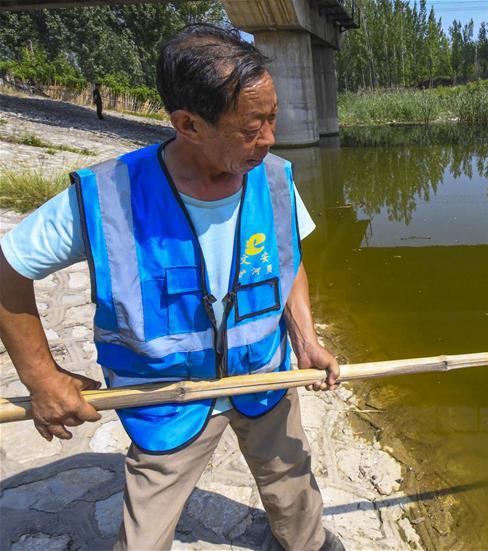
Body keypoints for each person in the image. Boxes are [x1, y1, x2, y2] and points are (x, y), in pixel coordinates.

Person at [0, 24, 344, 551]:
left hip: (263, 382)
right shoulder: (109, 196)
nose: (270, 138)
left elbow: (287, 259)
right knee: (143, 537)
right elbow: (6, 267)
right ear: (189, 124)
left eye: (273, 118)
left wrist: (306, 339)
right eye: (253, 126)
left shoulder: (273, 177)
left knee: (294, 492)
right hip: (166, 400)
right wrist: (43, 378)